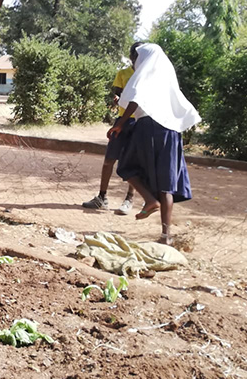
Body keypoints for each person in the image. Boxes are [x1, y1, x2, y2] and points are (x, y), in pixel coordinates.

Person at [109, 43, 201, 245]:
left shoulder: (145, 75)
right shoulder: (167, 78)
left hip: (149, 127)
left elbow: (134, 98)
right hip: (171, 132)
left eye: (136, 59)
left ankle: (150, 201)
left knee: (126, 166)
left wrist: (120, 124)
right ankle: (165, 237)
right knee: (166, 185)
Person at [82, 43, 141, 214]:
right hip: (122, 121)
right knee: (109, 160)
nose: (137, 58)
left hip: (139, 122)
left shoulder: (148, 75)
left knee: (133, 163)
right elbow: (118, 93)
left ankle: (129, 199)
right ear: (131, 57)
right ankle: (102, 198)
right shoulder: (123, 74)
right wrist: (116, 98)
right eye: (135, 55)